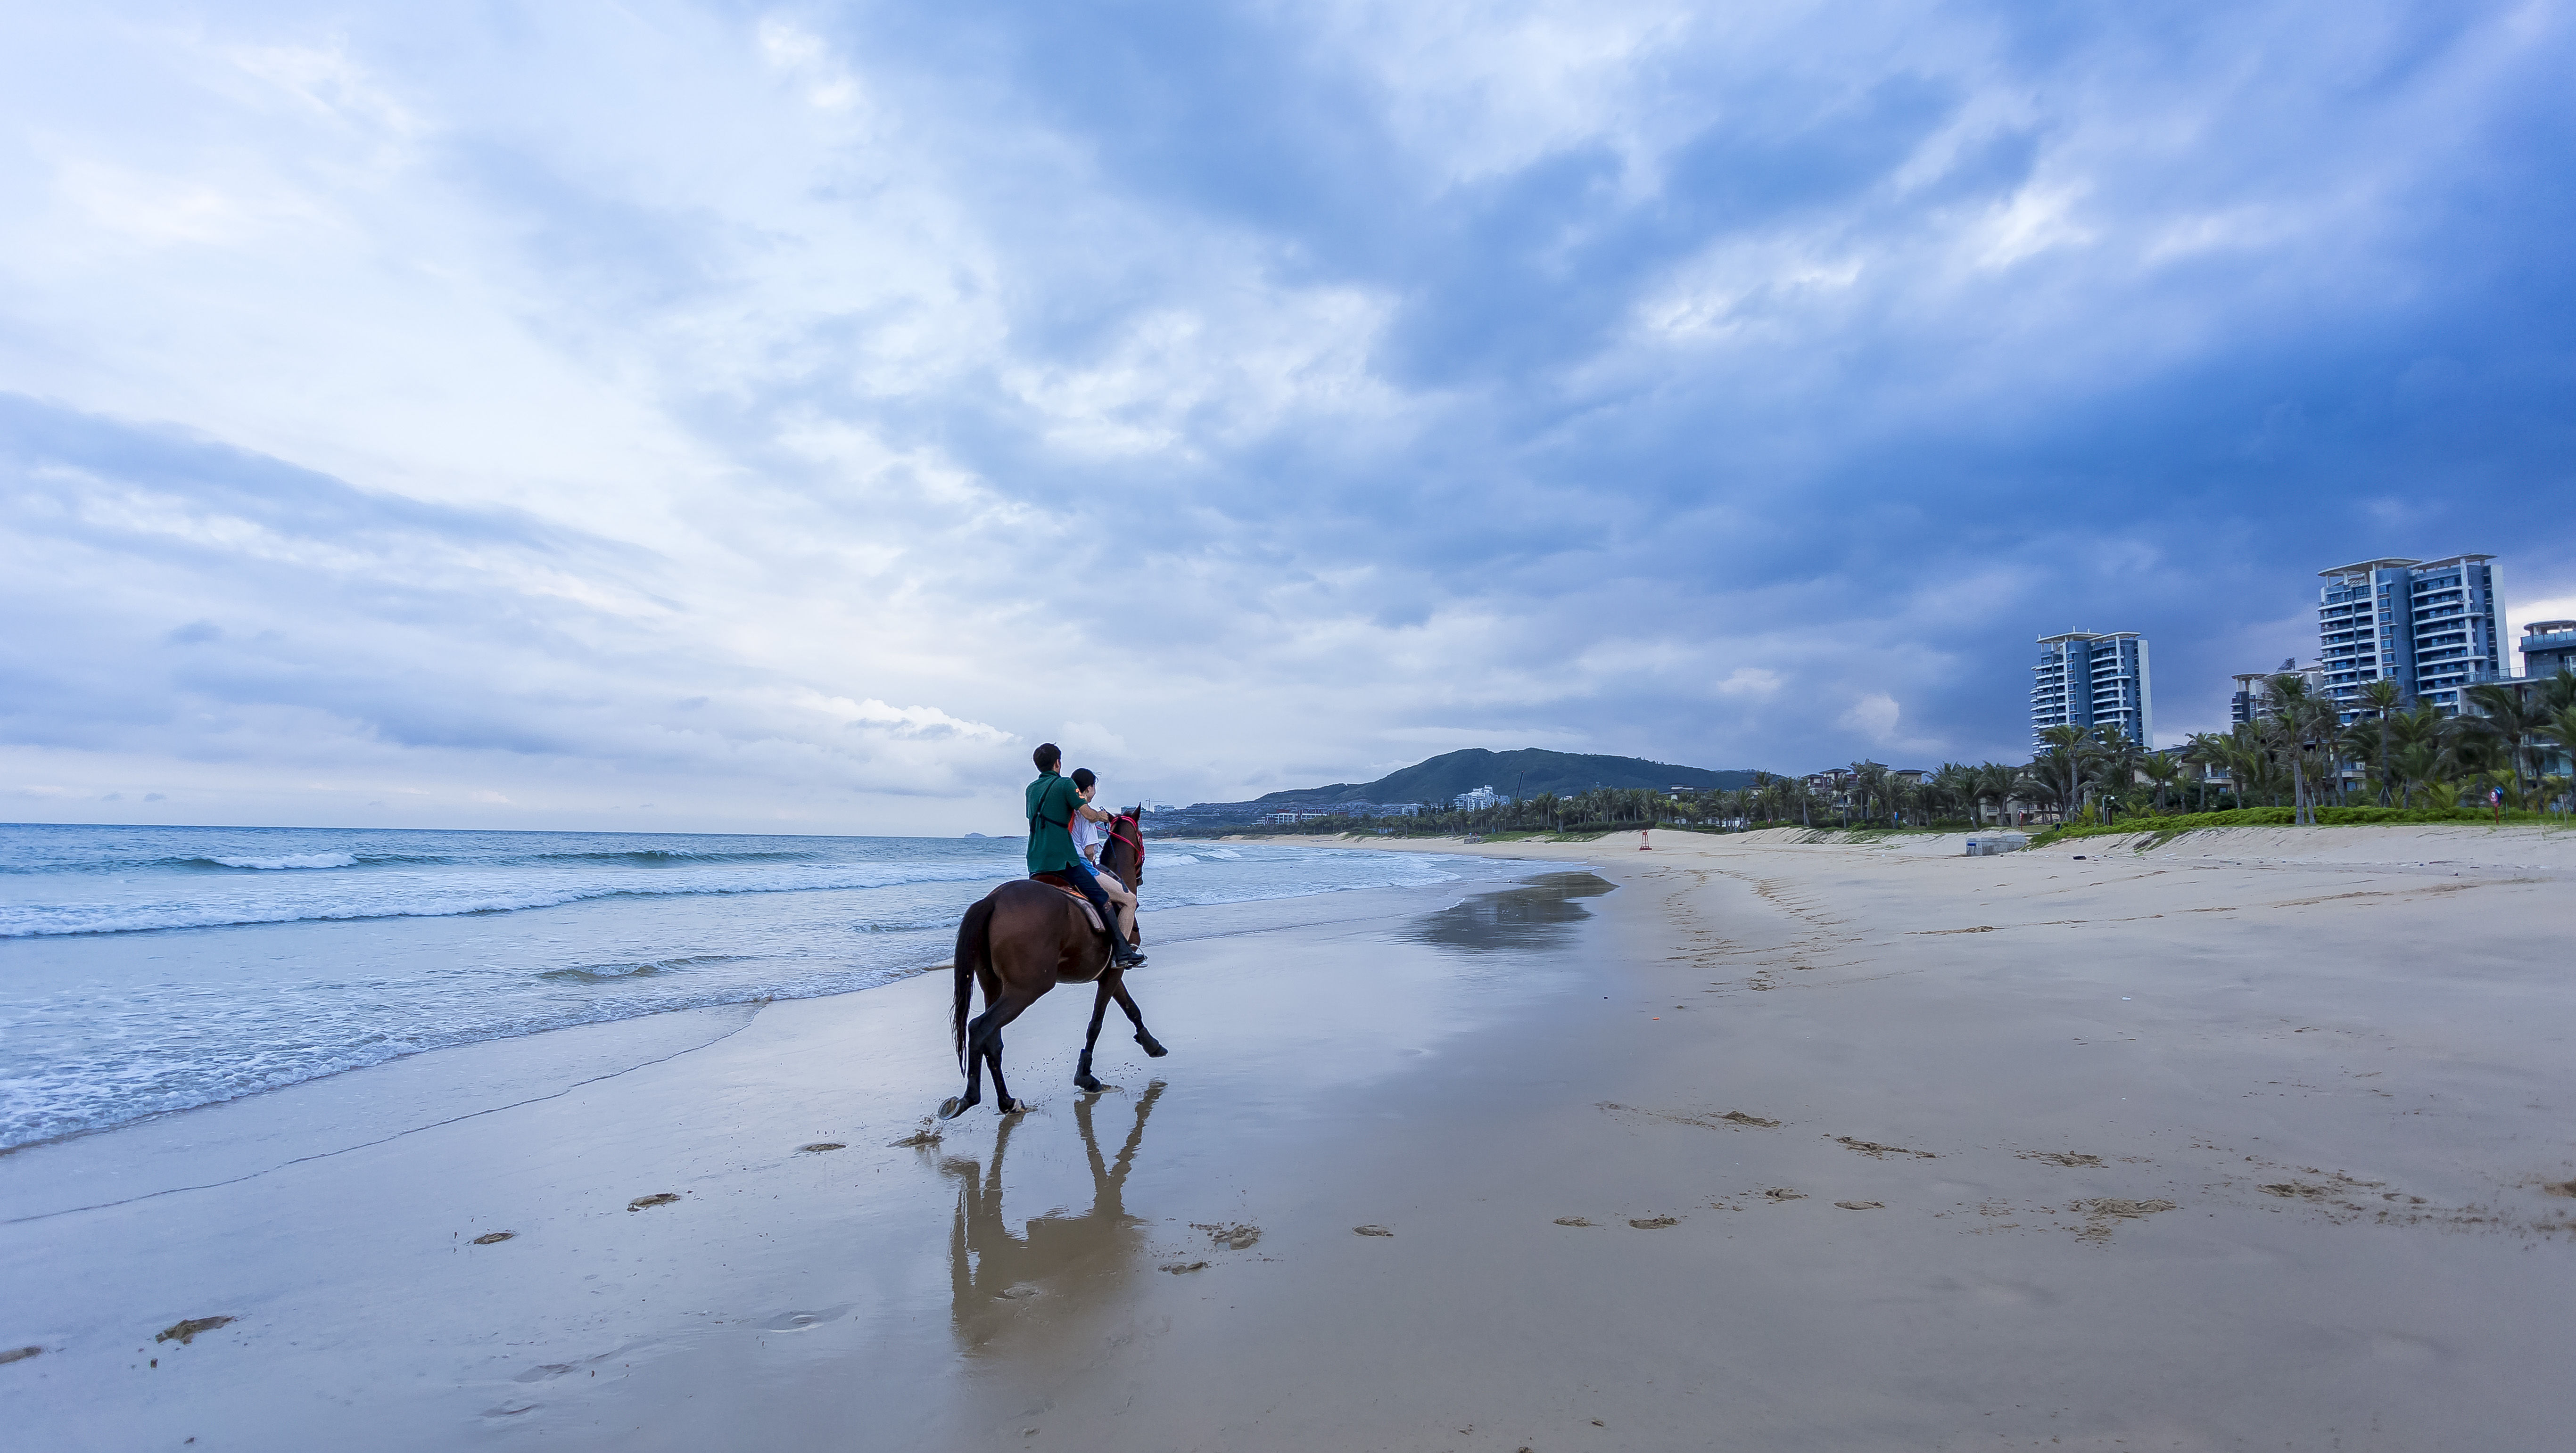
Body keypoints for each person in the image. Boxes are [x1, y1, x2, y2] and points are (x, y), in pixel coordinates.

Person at [1025, 744, 1144, 968]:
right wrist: (1103, 816)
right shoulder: (1065, 784)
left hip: (1036, 861)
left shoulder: (1031, 789)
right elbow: (1087, 813)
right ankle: (1121, 951)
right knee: (1101, 897)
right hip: (1064, 861)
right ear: (1058, 763)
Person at [1069, 768, 1141, 946]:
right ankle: (1123, 951)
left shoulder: (1065, 810)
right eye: (1094, 787)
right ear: (1089, 789)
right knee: (1130, 900)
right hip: (1080, 866)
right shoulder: (1088, 816)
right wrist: (1092, 859)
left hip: (1054, 865)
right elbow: (1089, 851)